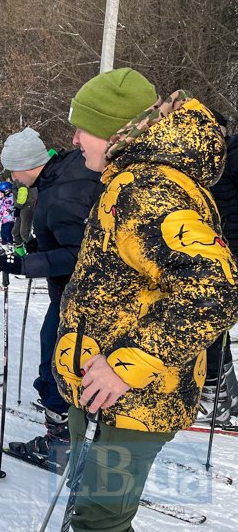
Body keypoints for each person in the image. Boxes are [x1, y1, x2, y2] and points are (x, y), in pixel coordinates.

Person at [52, 69, 238, 532]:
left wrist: (125, 366)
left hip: (132, 402)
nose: (74, 138)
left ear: (116, 130)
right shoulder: (133, 180)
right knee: (94, 515)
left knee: (99, 522)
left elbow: (215, 290)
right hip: (105, 396)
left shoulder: (146, 189)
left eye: (83, 126)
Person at [0, 126, 102, 468]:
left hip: (79, 295)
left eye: (12, 170)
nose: (13, 178)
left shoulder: (63, 189)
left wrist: (26, 263)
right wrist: (35, 247)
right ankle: (73, 427)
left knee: (54, 362)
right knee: (62, 357)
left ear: (23, 166)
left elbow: (79, 252)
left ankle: (61, 445)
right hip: (73, 291)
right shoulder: (60, 175)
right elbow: (68, 235)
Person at [198, 110, 238, 423]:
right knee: (216, 325)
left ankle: (214, 398)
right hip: (218, 251)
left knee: (209, 322)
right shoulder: (219, 160)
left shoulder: (226, 162)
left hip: (228, 254)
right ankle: (226, 393)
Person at [12, 181, 37, 256]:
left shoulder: (21, 176)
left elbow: (23, 191)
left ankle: (35, 251)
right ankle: (20, 253)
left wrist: (18, 206)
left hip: (27, 206)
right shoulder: (16, 177)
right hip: (22, 206)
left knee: (24, 233)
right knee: (15, 232)